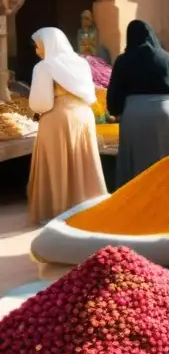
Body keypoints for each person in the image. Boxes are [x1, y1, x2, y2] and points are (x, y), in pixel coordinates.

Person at [27, 27, 105, 224]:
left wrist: (34, 115)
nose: (37, 51)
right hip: (83, 116)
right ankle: (86, 208)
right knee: (83, 162)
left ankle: (58, 211)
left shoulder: (44, 67)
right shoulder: (80, 63)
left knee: (57, 164)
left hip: (58, 118)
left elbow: (42, 103)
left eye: (39, 46)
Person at [106, 20, 169, 188]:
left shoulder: (123, 60)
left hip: (135, 115)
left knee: (137, 169)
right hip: (165, 114)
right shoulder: (165, 57)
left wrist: (118, 111)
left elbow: (113, 98)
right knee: (168, 163)